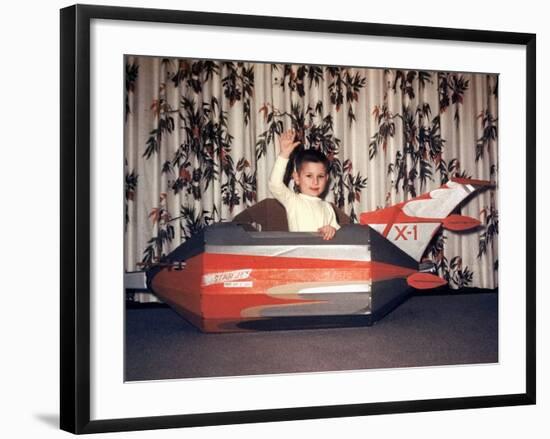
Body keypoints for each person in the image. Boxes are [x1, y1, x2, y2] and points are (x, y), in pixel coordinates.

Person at [268, 129, 340, 240]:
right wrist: (284, 155)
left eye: (320, 176)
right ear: (297, 178)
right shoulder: (293, 200)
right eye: (309, 176)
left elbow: (341, 237)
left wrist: (333, 230)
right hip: (300, 254)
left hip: (323, 255)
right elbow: (275, 185)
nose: (315, 182)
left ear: (326, 179)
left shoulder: (328, 207)